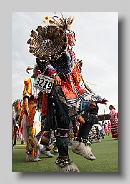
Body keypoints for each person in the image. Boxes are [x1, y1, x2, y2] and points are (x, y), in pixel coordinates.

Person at [27, 13, 108, 172]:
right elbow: (41, 60)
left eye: (72, 34)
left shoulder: (71, 53)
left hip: (74, 90)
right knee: (63, 125)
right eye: (69, 34)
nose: (72, 38)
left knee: (93, 107)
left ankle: (80, 142)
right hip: (59, 93)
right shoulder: (54, 48)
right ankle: (64, 162)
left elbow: (75, 74)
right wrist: (53, 73)